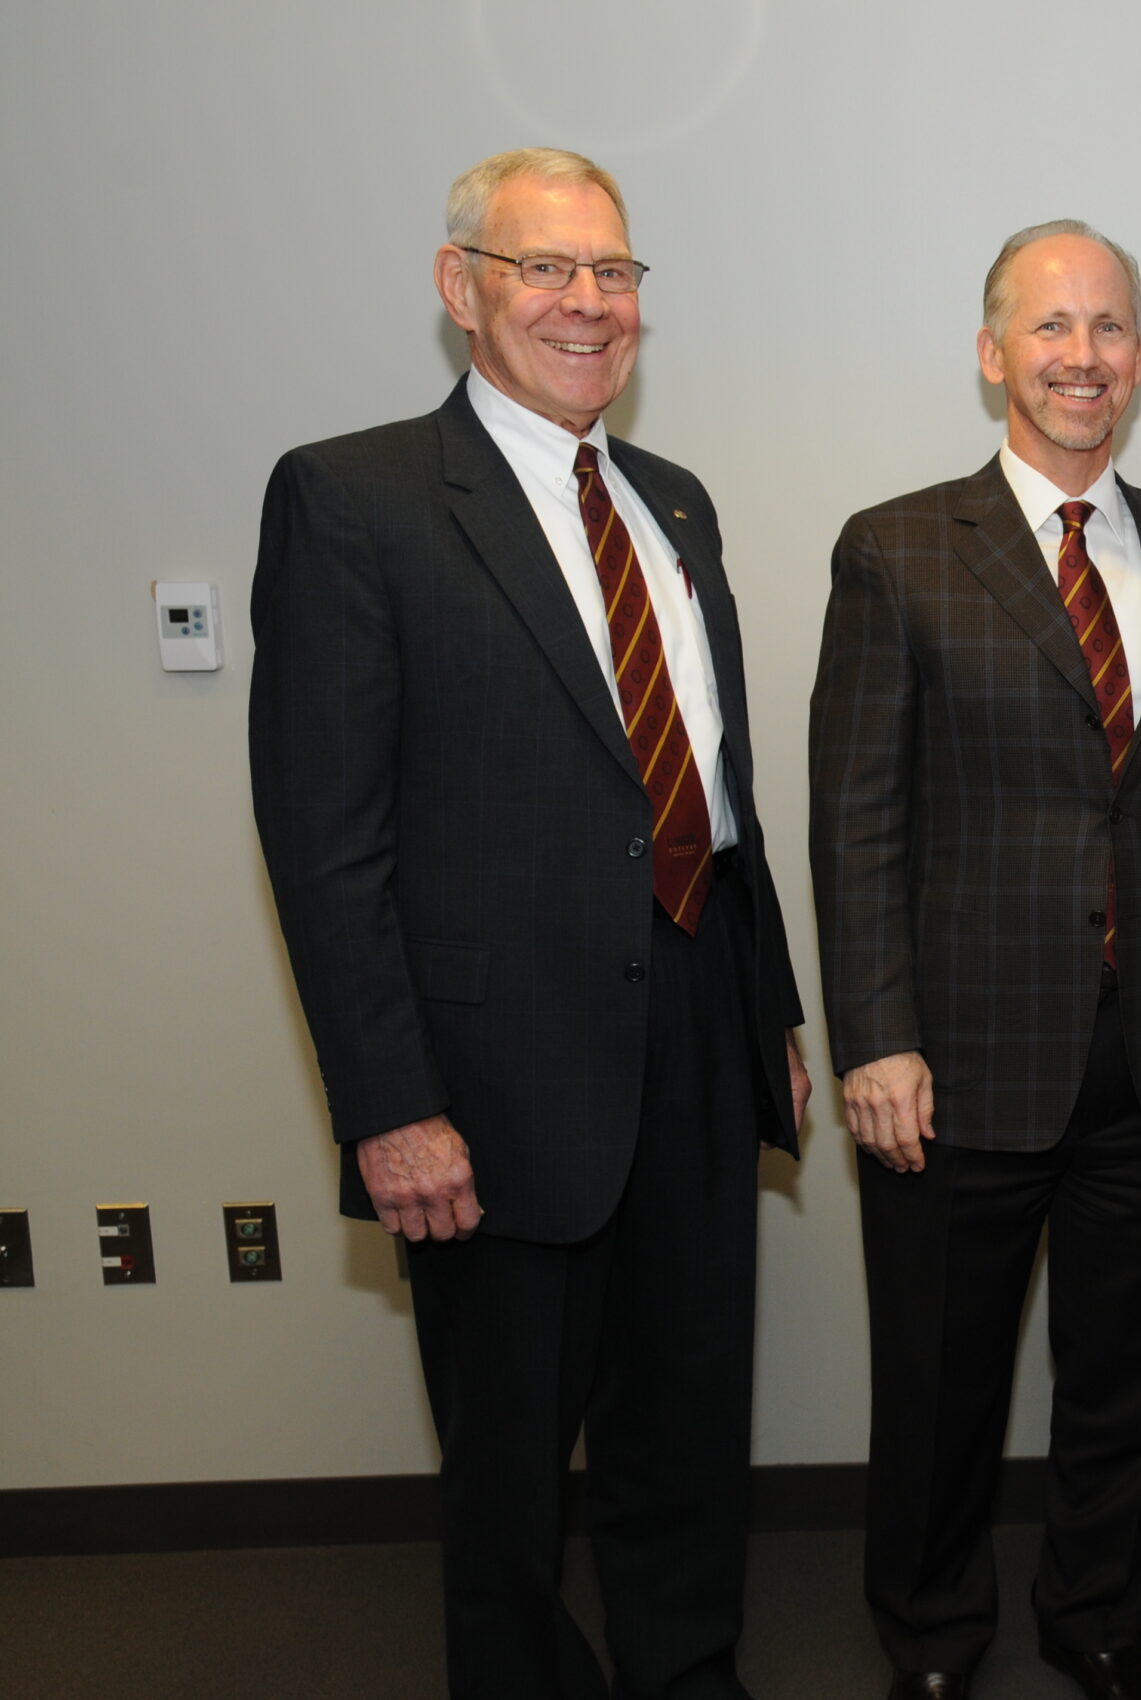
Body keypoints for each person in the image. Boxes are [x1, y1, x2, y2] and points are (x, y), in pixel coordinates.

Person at [248, 148, 811, 1697]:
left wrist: (769, 1014)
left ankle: (686, 1674)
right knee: (506, 1484)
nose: (586, 303)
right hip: (489, 1088)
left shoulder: (672, 500)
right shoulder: (352, 499)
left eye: (613, 273)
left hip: (696, 1034)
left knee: (689, 1430)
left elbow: (713, 779)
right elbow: (325, 843)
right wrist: (390, 1106)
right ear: (461, 288)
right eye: (544, 268)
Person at [809, 220, 1141, 1700]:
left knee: (1131, 1383)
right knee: (938, 1387)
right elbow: (854, 819)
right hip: (956, 1058)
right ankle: (929, 1636)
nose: (1081, 356)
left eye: (1109, 328)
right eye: (1050, 328)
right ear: (993, 355)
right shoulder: (898, 546)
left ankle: (1097, 1617)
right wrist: (874, 1035)